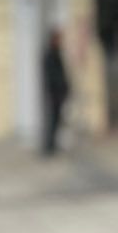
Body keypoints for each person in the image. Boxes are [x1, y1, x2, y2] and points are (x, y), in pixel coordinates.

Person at [42, 28, 70, 156]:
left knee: (57, 120)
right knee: (53, 120)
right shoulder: (50, 55)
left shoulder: (57, 53)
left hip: (59, 93)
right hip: (54, 94)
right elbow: (53, 76)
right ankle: (49, 146)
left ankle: (53, 144)